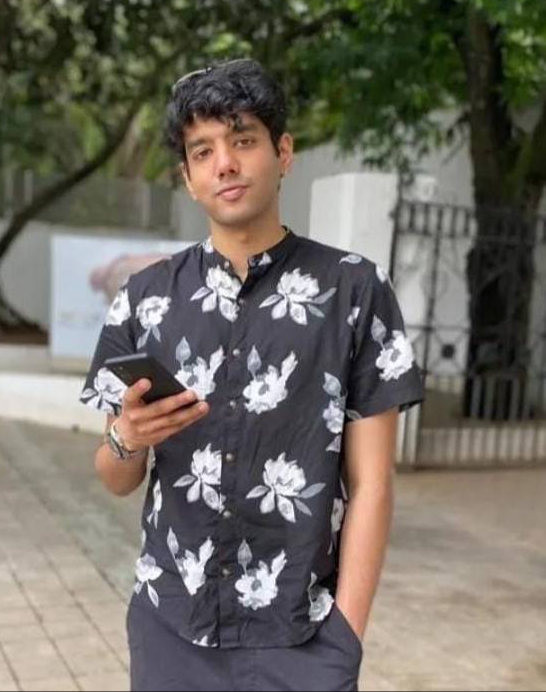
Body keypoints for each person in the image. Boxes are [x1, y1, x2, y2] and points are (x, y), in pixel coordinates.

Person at [80, 58, 425, 692]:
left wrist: (345, 635)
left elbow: (373, 482)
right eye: (203, 151)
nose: (225, 164)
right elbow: (115, 477)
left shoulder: (353, 290)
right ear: (188, 178)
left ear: (282, 152)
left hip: (303, 633)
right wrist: (128, 436)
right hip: (170, 627)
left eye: (242, 140)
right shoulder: (145, 299)